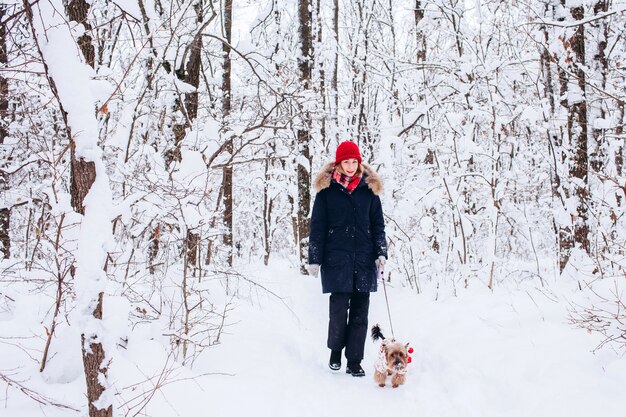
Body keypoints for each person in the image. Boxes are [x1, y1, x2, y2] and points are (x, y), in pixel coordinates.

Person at [307, 141, 388, 377]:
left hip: (363, 260)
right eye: (346, 162)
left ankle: (354, 360)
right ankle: (335, 352)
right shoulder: (327, 191)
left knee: (361, 313)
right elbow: (318, 227)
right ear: (338, 163)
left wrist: (381, 251)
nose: (351, 166)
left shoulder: (369, 191)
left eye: (354, 161)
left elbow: (378, 226)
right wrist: (315, 258)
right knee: (339, 310)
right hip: (337, 260)